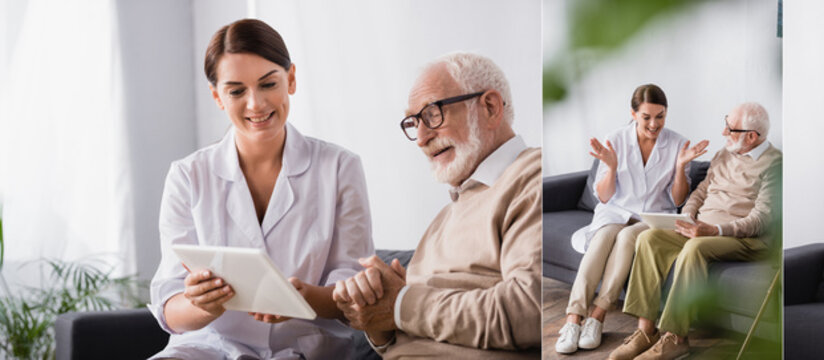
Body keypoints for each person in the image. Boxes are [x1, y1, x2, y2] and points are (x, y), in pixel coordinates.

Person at [148, 18, 374, 359]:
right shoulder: (187, 176)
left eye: (268, 84)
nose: (255, 104)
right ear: (217, 97)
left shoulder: (340, 168)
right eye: (237, 91)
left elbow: (353, 294)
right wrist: (202, 305)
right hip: (209, 348)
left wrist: (304, 298)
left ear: (291, 79)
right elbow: (170, 308)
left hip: (305, 349)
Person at [331, 52, 542, 359]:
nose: (421, 137)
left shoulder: (531, 176)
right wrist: (376, 316)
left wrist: (402, 305)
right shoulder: (445, 216)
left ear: (490, 107)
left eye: (432, 114)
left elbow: (529, 311)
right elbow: (405, 330)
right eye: (414, 122)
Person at [609, 102, 782, 360]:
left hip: (743, 238)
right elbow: (700, 192)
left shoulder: (774, 164)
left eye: (730, 128)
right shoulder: (724, 153)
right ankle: (646, 332)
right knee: (648, 238)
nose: (723, 133)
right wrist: (688, 216)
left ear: (752, 136)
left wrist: (714, 230)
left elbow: (760, 220)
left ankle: (677, 338)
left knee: (695, 247)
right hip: (701, 228)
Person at [556, 84, 709, 354]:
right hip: (616, 210)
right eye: (646, 117)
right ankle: (573, 319)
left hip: (652, 217)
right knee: (603, 239)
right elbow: (604, 197)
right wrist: (612, 167)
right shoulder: (615, 139)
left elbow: (677, 200)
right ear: (633, 113)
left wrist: (681, 166)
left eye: (660, 116)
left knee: (627, 238)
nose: (654, 124)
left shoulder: (676, 143)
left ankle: (598, 315)